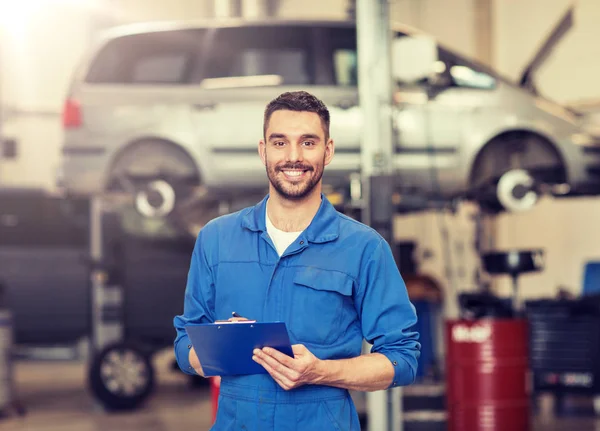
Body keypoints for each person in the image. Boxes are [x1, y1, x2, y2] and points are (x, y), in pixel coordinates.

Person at [173, 90, 420, 430]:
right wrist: (222, 347)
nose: (293, 157)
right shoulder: (216, 239)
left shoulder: (363, 248)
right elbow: (185, 343)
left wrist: (322, 371)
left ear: (327, 150)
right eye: (279, 143)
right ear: (263, 150)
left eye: (307, 142)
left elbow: (402, 357)